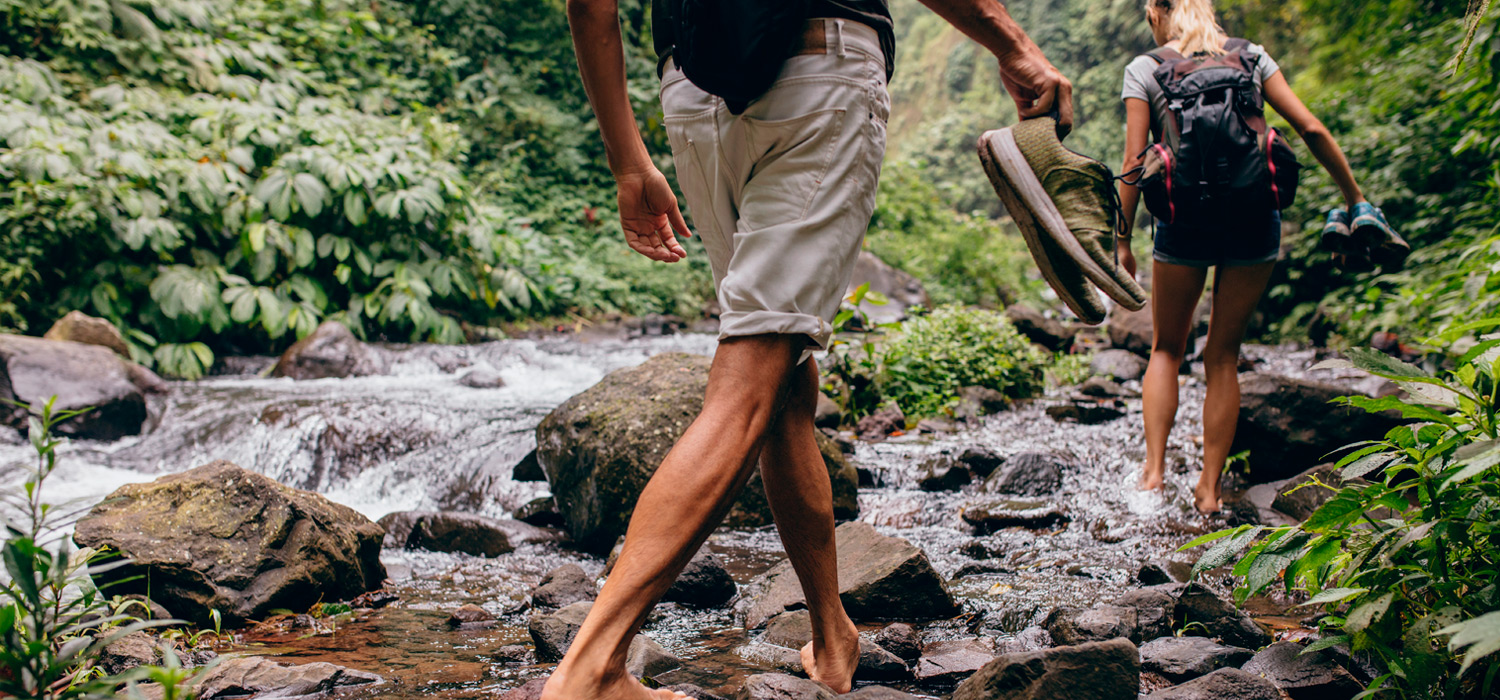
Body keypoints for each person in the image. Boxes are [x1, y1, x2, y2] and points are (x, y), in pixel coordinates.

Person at [546, 1, 1072, 698]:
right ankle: (593, 667)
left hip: (692, 90)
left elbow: (592, 4)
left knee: (782, 382)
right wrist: (1013, 45)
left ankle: (831, 632)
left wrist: (626, 159)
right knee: (748, 383)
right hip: (818, 68)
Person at [1117, 0, 1375, 514]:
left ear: (1156, 14)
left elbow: (1132, 162)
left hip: (1182, 222)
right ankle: (1209, 492)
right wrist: (1356, 201)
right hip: (1255, 221)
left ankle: (1152, 477)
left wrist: (1121, 241)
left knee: (1167, 349)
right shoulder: (1252, 58)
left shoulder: (1145, 69)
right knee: (1222, 357)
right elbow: (1312, 129)